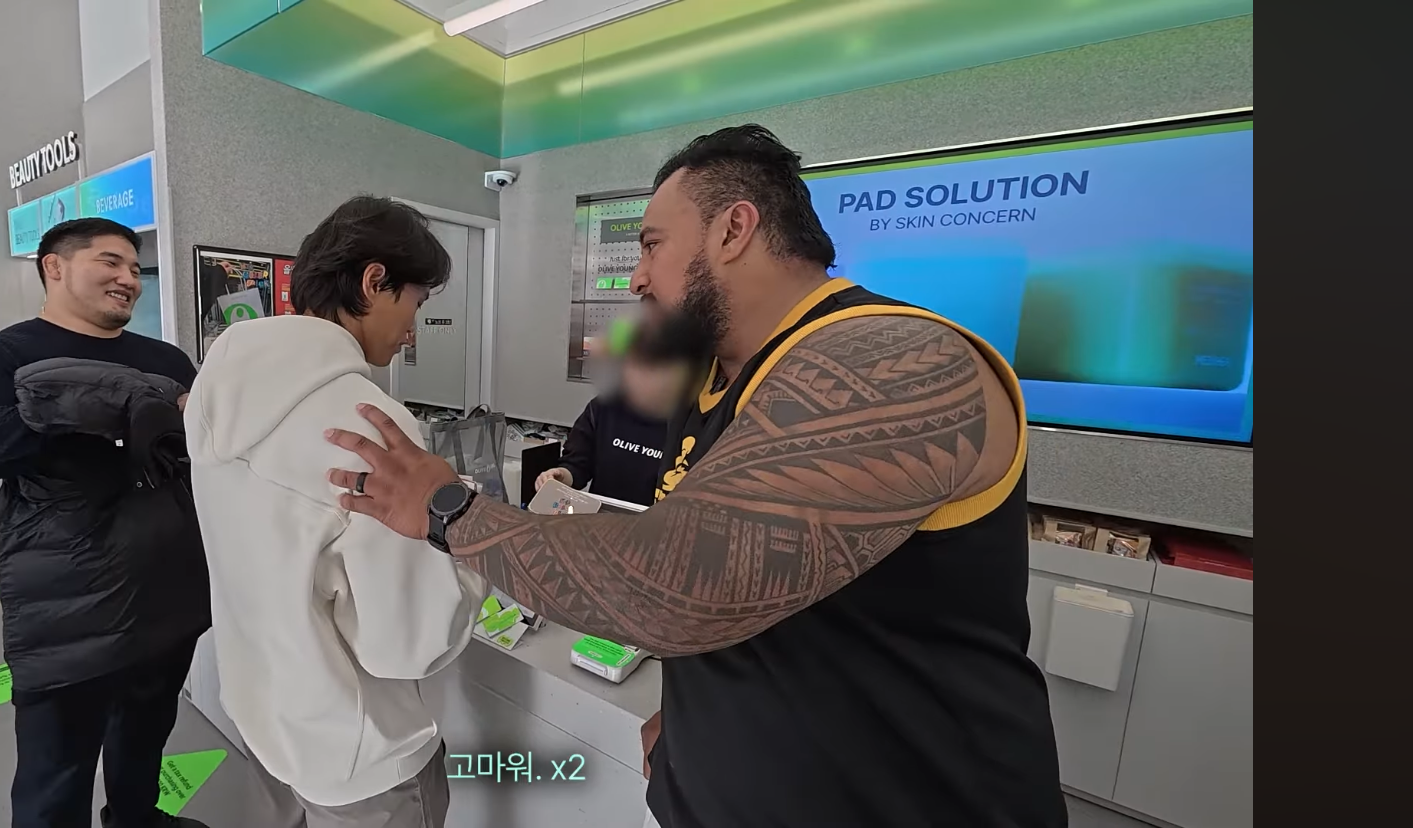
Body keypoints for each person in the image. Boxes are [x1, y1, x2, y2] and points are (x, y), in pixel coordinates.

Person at [320, 125, 1067, 827]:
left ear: (734, 230)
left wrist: (449, 510)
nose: (636, 277)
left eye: (652, 245)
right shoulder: (713, 384)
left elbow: (677, 585)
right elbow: (753, 584)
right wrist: (693, 714)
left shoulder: (893, 362)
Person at [183, 195, 486, 828]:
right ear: (374, 281)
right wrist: (463, 535)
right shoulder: (370, 424)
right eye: (416, 304)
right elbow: (408, 643)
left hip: (264, 715)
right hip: (360, 751)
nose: (411, 331)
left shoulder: (219, 386)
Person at [0, 217, 211, 828]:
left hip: (168, 586)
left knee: (147, 732)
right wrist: (93, 408)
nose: (129, 278)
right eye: (110, 261)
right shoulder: (2, 354)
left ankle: (137, 819)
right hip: (69, 605)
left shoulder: (165, 358)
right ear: (54, 266)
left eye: (134, 267)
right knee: (57, 770)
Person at [535, 319, 684, 506]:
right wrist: (561, 477)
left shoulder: (688, 420)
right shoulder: (602, 408)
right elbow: (577, 466)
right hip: (604, 519)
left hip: (657, 521)